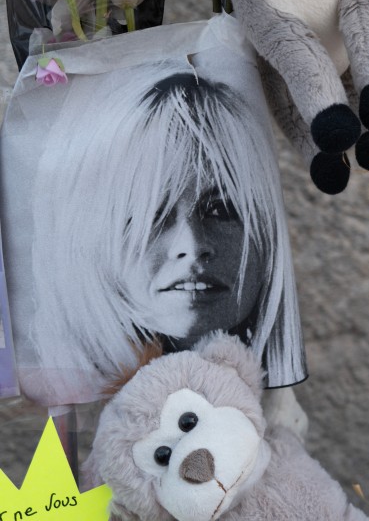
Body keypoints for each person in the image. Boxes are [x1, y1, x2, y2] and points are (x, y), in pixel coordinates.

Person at [26, 59, 305, 402]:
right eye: (152, 213)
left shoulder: (278, 416)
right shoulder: (67, 411)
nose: (192, 245)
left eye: (221, 209)